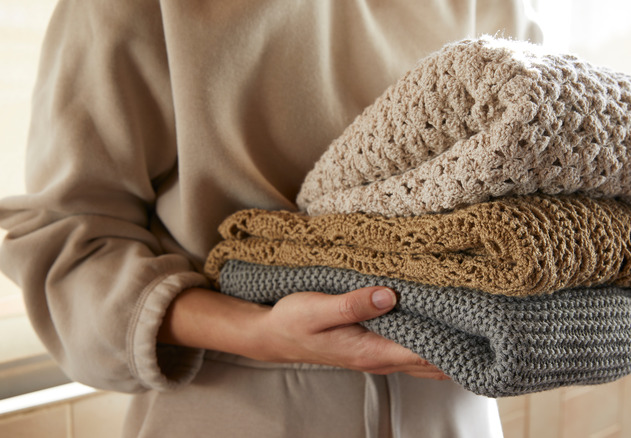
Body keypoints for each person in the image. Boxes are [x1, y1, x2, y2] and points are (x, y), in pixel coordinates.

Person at [0, 1, 542, 436]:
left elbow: (547, 190)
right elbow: (72, 240)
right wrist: (262, 333)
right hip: (238, 410)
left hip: (454, 408)